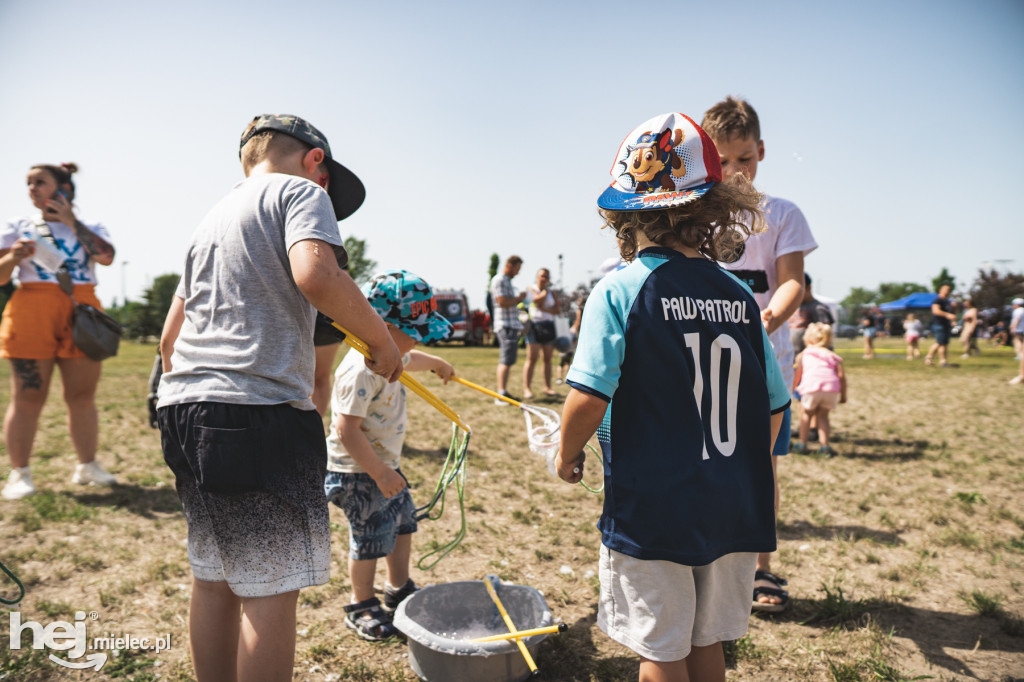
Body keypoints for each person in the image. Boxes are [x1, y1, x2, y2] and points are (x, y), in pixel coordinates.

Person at [156, 114, 402, 682]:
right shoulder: (298, 192)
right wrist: (379, 339)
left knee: (215, 577)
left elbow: (172, 336)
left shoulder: (211, 218)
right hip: (255, 409)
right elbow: (317, 274)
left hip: (185, 408)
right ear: (316, 161)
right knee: (271, 587)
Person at [556, 112, 789, 682]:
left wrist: (565, 454)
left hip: (654, 509)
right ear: (708, 209)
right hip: (732, 506)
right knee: (706, 640)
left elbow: (588, 395)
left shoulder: (619, 288)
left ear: (624, 215)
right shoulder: (737, 292)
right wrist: (742, 465)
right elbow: (777, 406)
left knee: (660, 649)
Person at [703, 95, 817, 612]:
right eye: (722, 160)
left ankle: (759, 570)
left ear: (762, 152)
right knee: (701, 459)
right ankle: (703, 558)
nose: (734, 172)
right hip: (703, 360)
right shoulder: (695, 214)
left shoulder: (783, 213)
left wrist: (763, 320)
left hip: (765, 359)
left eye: (743, 158)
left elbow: (791, 283)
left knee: (761, 466)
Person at [324, 269, 454, 640]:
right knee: (368, 539)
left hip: (384, 468)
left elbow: (409, 360)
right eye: (414, 334)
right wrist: (379, 472)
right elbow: (345, 430)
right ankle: (361, 604)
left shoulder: (388, 354)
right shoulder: (359, 371)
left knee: (401, 527)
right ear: (380, 326)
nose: (416, 342)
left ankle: (398, 589)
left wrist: (437, 364)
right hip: (359, 472)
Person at [0, 162, 117, 500]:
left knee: (82, 396)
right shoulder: (18, 227)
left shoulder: (89, 226)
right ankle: (20, 473)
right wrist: (13, 257)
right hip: (31, 307)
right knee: (27, 397)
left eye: (41, 182)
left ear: (64, 188)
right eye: (29, 183)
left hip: (82, 308)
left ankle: (87, 465)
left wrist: (70, 222)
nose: (32, 189)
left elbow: (106, 257)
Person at [791, 323, 847, 456]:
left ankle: (802, 443)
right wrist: (843, 395)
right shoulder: (832, 355)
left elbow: (797, 374)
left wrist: (792, 388)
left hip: (811, 388)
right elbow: (841, 376)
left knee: (806, 415)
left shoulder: (804, 354)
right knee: (823, 417)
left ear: (808, 340)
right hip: (831, 389)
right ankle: (825, 447)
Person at [489, 255, 527, 403]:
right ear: (510, 265)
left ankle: (503, 392)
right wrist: (519, 298)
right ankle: (501, 394)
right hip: (505, 325)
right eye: (517, 268)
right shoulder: (500, 280)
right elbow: (502, 301)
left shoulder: (507, 281)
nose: (518, 272)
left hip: (510, 324)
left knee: (508, 359)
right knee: (505, 359)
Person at [523, 267, 560, 399]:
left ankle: (548, 387)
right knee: (532, 359)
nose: (544, 279)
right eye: (542, 276)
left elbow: (557, 309)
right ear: (537, 277)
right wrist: (543, 294)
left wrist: (545, 308)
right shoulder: (531, 289)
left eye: (546, 276)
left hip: (548, 326)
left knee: (547, 359)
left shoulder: (552, 292)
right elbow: (536, 301)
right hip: (534, 326)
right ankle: (527, 389)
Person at [789, 273, 834, 354]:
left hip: (811, 357)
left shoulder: (818, 308)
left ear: (808, 288)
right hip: (793, 356)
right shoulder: (793, 307)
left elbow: (824, 335)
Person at [925, 284, 957, 367]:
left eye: (949, 290)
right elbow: (935, 311)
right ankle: (942, 362)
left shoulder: (947, 301)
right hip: (938, 324)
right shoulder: (938, 300)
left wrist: (953, 312)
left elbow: (951, 313)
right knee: (941, 342)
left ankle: (930, 358)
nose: (948, 291)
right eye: (946, 289)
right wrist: (947, 315)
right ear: (941, 290)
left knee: (942, 343)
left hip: (945, 324)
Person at [557, 292, 586, 384]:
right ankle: (568, 377)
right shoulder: (587, 309)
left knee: (563, 361)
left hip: (575, 336)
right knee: (568, 360)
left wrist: (574, 329)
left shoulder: (579, 310)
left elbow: (578, 321)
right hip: (580, 335)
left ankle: (560, 377)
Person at [1010, 297, 1024, 361]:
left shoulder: (1017, 311)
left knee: (1017, 341)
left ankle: (1019, 355)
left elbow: (1016, 320)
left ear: (1016, 304)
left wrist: (1013, 327)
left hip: (1018, 329)